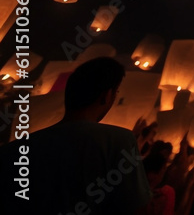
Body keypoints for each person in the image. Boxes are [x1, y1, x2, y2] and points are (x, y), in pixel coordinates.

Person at [0, 57, 152, 214]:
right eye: (116, 93)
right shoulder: (120, 141)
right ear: (107, 95)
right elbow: (137, 207)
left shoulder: (12, 151)